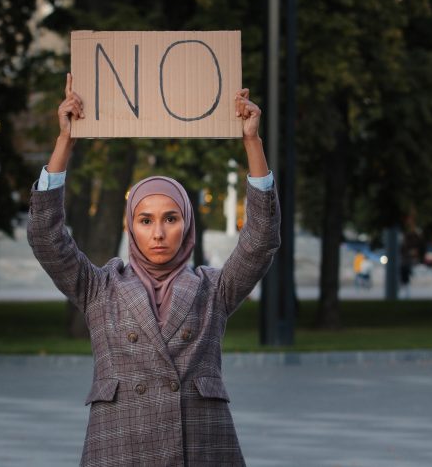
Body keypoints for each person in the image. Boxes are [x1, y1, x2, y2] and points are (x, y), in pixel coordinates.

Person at [27, 74, 280, 466]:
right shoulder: (100, 289)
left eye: (170, 218)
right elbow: (46, 238)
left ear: (187, 224)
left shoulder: (213, 289)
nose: (158, 233)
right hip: (120, 447)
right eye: (145, 220)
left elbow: (260, 240)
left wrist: (252, 142)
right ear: (130, 226)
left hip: (200, 449)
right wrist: (65, 141)